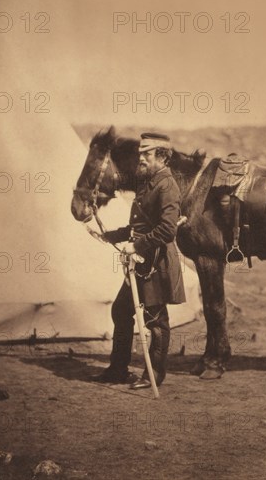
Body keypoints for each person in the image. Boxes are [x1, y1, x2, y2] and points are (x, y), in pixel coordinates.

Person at [93, 132, 186, 389]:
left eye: (147, 153)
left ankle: (153, 375)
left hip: (156, 262)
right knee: (121, 311)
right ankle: (117, 370)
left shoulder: (167, 186)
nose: (141, 158)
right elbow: (140, 225)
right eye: (141, 153)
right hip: (142, 261)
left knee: (155, 321)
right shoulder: (147, 181)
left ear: (162, 156)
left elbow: (168, 229)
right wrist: (111, 235)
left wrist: (136, 245)